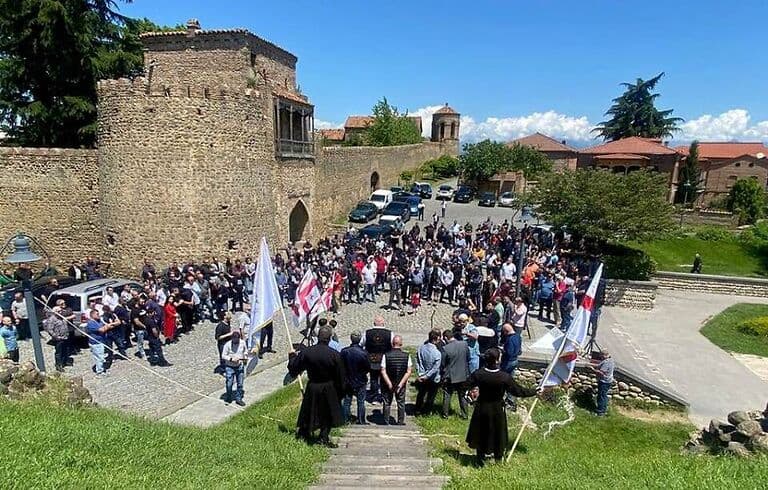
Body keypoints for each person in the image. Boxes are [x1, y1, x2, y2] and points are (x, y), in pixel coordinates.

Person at [465, 348, 537, 466]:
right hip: (497, 409)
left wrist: (469, 395)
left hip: (482, 407)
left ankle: (480, 459)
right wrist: (534, 391)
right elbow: (518, 391)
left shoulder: (479, 374)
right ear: (497, 360)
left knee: (481, 431)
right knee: (498, 432)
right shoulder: (504, 377)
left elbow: (466, 384)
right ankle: (498, 458)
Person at [288, 326, 346, 447]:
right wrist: (341, 391)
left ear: (318, 337)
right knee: (327, 414)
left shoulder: (307, 352)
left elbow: (294, 369)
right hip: (329, 387)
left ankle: (305, 433)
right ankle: (323, 437)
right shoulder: (335, 355)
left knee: (309, 410)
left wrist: (292, 357)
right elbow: (341, 376)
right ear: (330, 338)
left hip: (313, 385)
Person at [380, 335, 412, 425]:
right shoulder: (406, 356)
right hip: (400, 383)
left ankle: (386, 421)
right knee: (401, 403)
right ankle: (400, 421)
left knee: (387, 403)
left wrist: (389, 383)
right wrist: (401, 384)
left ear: (392, 343)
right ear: (401, 344)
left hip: (387, 383)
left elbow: (383, 371)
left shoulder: (386, 355)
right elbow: (408, 371)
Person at [340, 330, 371, 424]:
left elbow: (341, 365)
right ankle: (361, 420)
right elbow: (368, 367)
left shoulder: (344, 351)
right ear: (360, 339)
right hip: (361, 379)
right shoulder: (364, 353)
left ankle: (345, 419)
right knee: (361, 401)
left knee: (347, 401)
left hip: (348, 379)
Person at [361, 316, 393, 403]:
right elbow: (393, 345)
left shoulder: (367, 333)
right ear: (383, 323)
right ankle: (383, 396)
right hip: (384, 359)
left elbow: (361, 344)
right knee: (383, 378)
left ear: (374, 323)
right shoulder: (389, 333)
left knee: (373, 378)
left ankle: (374, 397)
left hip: (371, 359)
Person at [441, 327, 471, 419]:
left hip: (450, 376)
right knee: (462, 395)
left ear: (446, 338)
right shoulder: (464, 344)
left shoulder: (445, 348)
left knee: (447, 395)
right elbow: (468, 358)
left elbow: (443, 363)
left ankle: (445, 414)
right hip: (463, 374)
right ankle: (465, 415)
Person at [415, 329, 441, 415]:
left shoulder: (421, 348)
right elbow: (435, 368)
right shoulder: (437, 353)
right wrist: (428, 376)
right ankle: (427, 411)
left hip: (422, 375)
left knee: (421, 394)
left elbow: (418, 361)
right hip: (433, 378)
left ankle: (417, 409)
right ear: (437, 338)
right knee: (431, 396)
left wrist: (420, 373)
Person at [221, 330, 247, 405]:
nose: (236, 341)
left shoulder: (242, 343)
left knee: (240, 384)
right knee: (229, 383)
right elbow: (223, 355)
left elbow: (245, 351)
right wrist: (231, 359)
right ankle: (229, 396)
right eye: (234, 339)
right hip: (230, 367)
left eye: (237, 340)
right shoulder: (227, 345)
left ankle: (238, 398)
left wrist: (245, 357)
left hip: (239, 366)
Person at [590, 351, 615, 416]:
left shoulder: (606, 362)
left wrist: (593, 370)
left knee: (601, 396)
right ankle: (603, 409)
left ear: (604, 355)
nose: (600, 357)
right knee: (604, 395)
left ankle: (600, 411)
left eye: (601, 355)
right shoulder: (611, 360)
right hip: (608, 381)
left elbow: (601, 372)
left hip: (604, 381)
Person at [86, 309, 109, 376]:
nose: (99, 315)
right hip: (95, 343)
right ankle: (99, 372)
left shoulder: (98, 321)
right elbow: (102, 330)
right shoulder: (91, 323)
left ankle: (100, 368)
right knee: (99, 357)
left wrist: (107, 326)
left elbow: (106, 326)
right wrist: (106, 327)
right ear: (92, 315)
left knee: (101, 356)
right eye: (97, 314)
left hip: (101, 341)